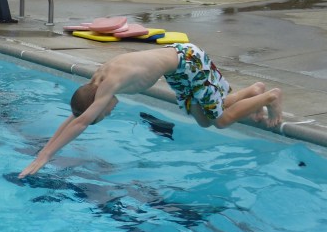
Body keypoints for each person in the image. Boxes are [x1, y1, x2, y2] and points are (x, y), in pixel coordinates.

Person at [19, 44, 283, 178]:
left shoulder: (107, 86)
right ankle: (252, 92)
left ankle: (269, 97)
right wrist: (45, 151)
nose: (108, 113)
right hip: (179, 70)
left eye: (104, 115)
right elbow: (77, 116)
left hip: (189, 62)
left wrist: (45, 156)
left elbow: (82, 121)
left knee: (221, 121)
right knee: (205, 119)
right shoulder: (93, 87)